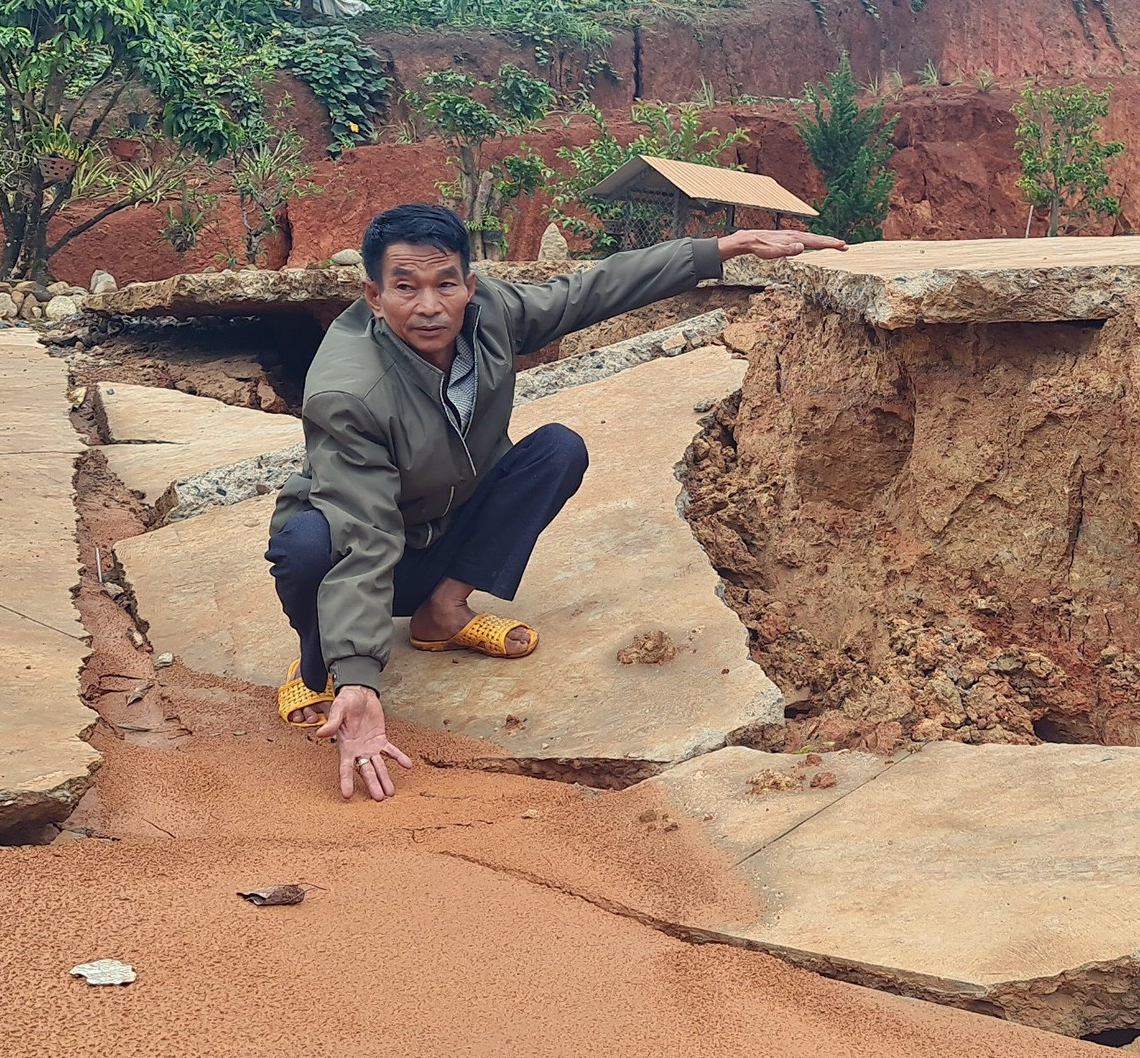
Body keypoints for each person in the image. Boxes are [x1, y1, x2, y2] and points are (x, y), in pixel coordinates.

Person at [265, 203, 844, 801]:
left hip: (446, 526)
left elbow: (588, 291)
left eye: (445, 285)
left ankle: (442, 611)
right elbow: (365, 531)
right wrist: (361, 675)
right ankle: (317, 667)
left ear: (470, 283)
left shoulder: (489, 314)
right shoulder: (348, 391)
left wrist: (718, 251)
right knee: (307, 544)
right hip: (365, 543)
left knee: (557, 450)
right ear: (372, 295)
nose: (429, 306)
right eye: (405, 288)